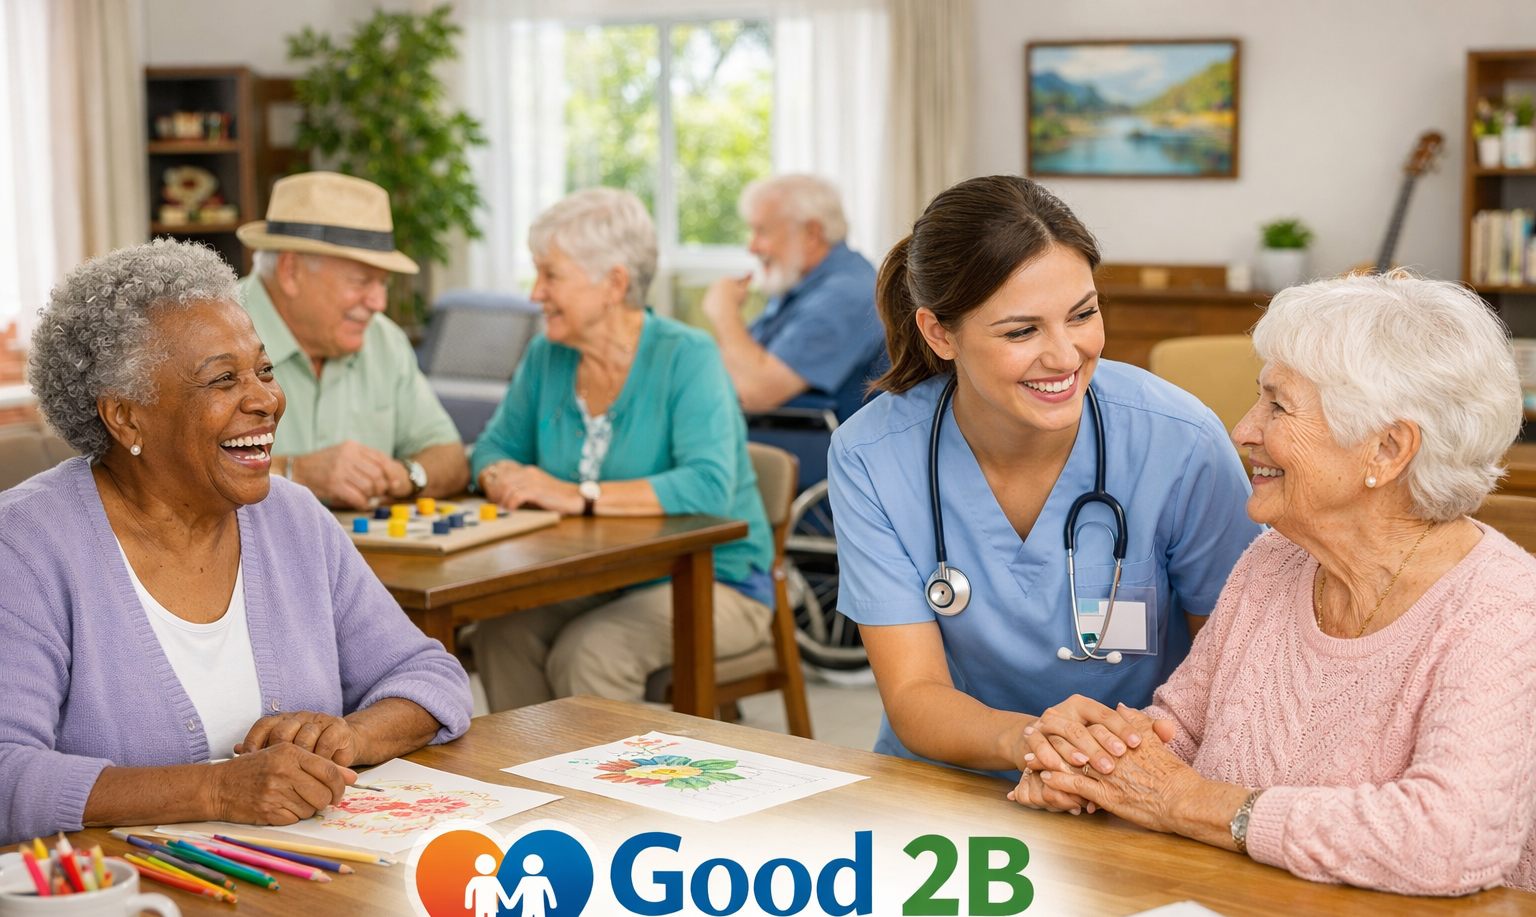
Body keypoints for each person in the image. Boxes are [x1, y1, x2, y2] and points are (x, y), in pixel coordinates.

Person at [1017, 275, 1536, 917]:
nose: (1242, 430)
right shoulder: (1275, 559)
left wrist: (1193, 804)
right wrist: (1086, 763)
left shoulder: (1503, 609)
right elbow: (1178, 735)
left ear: (1388, 448)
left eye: (1277, 407)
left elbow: (1450, 840)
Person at [0, 239, 473, 846]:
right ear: (125, 417)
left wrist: (348, 736)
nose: (266, 400)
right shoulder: (26, 546)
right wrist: (219, 791)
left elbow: (428, 674)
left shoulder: (293, 516)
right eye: (224, 379)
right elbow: (9, 772)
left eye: (265, 370)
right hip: (137, 909)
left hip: (307, 893)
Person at [827, 175, 1260, 781]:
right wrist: (1033, 743)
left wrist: (1103, 766)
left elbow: (1236, 671)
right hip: (950, 781)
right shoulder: (872, 455)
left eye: (1082, 314)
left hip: (1136, 777)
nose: (1065, 356)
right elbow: (914, 695)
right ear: (940, 333)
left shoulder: (1180, 441)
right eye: (1021, 331)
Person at [469, 188, 775, 709]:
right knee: (500, 633)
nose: (535, 293)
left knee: (591, 650)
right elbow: (492, 447)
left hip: (714, 580)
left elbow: (708, 485)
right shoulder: (549, 354)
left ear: (613, 283)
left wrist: (577, 494)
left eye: (551, 275)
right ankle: (531, 783)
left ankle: (603, 792)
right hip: (594, 575)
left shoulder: (688, 355)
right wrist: (503, 475)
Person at [236, 171, 469, 509]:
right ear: (291, 270)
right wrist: (295, 472)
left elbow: (451, 459)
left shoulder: (384, 340)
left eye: (382, 284)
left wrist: (405, 476)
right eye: (361, 281)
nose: (379, 303)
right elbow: (174, 465)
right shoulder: (209, 334)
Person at [702, 174, 885, 420]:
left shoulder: (846, 296)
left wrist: (724, 312)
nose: (752, 247)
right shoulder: (798, 284)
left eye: (762, 231)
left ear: (811, 234)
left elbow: (756, 391)